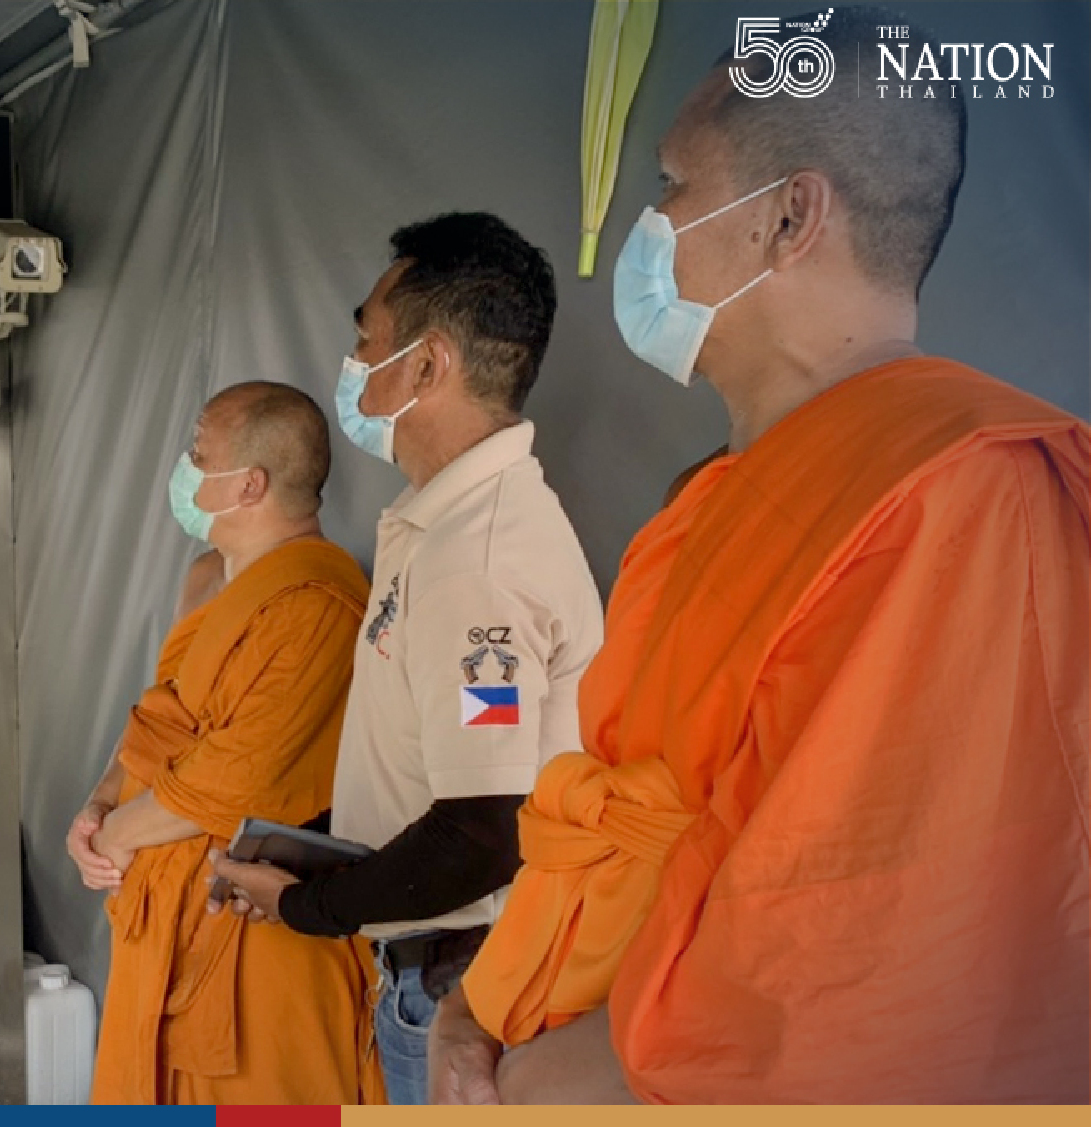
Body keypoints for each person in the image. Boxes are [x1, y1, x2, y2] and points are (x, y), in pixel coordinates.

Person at [428, 7, 1090, 1104]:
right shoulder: (719, 489)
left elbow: (847, 957)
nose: (652, 223)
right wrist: (472, 1010)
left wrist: (533, 1074)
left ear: (788, 218)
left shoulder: (958, 492)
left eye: (672, 186)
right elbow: (621, 834)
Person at [212, 213, 604, 1104]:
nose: (352, 365)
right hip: (432, 968)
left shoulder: (481, 556)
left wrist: (308, 905)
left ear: (427, 365)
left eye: (366, 342)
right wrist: (315, 851)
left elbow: (482, 827)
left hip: (465, 991)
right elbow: (435, 772)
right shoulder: (436, 524)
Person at [66, 381, 382, 1104]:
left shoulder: (322, 603)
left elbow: (231, 779)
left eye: (198, 452)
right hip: (161, 914)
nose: (184, 465)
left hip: (253, 917)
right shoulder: (205, 579)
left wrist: (116, 835)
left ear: (249, 484)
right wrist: (97, 804)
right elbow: (157, 721)